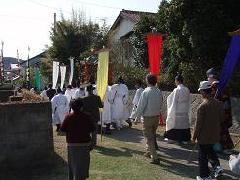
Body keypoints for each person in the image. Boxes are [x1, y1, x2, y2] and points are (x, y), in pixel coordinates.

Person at [193, 81, 224, 180]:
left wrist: (194, 137)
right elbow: (222, 119)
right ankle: (217, 167)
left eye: (201, 91)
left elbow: (198, 125)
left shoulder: (202, 106)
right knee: (211, 152)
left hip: (204, 136)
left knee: (202, 156)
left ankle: (204, 176)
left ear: (203, 92)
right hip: (215, 134)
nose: (200, 93)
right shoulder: (219, 104)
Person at [60, 98, 95, 180]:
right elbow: (93, 130)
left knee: (72, 166)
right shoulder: (87, 116)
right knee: (83, 166)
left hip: (72, 145)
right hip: (84, 145)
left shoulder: (68, 117)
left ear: (71, 107)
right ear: (82, 107)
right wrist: (92, 142)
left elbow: (62, 131)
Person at [132, 74, 163, 164]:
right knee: (152, 136)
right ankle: (149, 152)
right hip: (156, 117)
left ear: (148, 81)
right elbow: (161, 103)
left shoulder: (146, 92)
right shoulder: (158, 91)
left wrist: (135, 117)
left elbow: (141, 106)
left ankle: (155, 157)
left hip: (148, 118)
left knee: (149, 138)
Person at [207, 68, 234, 153]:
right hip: (226, 112)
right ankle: (227, 147)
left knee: (220, 130)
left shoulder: (214, 87)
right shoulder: (224, 86)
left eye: (208, 77)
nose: (208, 79)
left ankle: (224, 148)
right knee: (223, 130)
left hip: (218, 113)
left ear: (211, 77)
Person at [164, 74, 191, 144]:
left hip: (177, 111)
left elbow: (173, 101)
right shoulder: (187, 89)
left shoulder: (177, 90)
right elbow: (188, 101)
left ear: (177, 81)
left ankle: (173, 138)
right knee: (184, 125)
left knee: (175, 124)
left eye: (175, 81)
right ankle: (185, 139)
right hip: (185, 111)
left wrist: (171, 111)